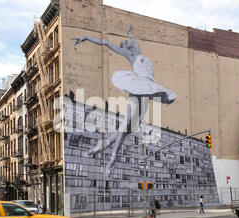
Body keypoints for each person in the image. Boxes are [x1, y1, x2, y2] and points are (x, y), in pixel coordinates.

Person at [73, 25, 177, 178]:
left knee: (127, 129)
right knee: (125, 124)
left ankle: (99, 147)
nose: (129, 45)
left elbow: (136, 43)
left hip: (148, 88)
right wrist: (87, 38)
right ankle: (112, 158)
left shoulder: (140, 54)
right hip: (139, 86)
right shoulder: (131, 56)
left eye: (128, 43)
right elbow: (107, 44)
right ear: (125, 48)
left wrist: (130, 33)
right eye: (125, 44)